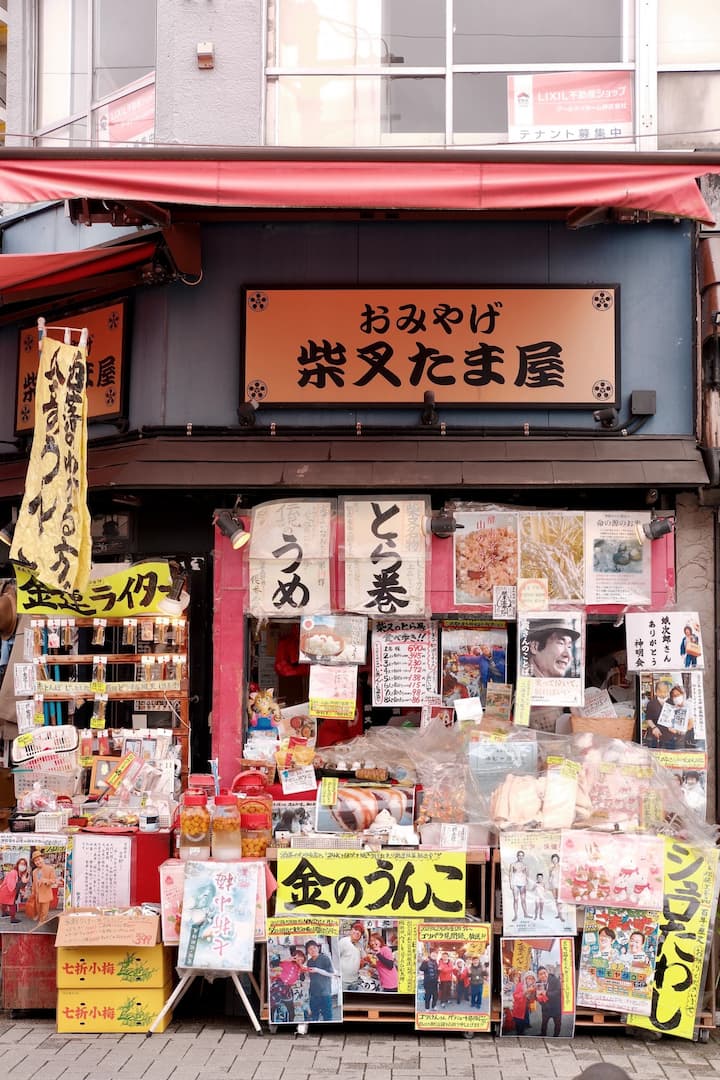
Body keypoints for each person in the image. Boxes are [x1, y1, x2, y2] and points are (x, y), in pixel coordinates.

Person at [304, 939, 336, 1022]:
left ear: (318, 948)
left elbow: (331, 974)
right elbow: (310, 978)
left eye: (314, 947)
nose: (313, 950)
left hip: (325, 993)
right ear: (308, 951)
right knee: (314, 1016)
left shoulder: (325, 958)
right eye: (310, 949)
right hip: (313, 993)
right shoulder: (309, 962)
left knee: (327, 1016)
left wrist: (317, 970)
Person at [30, 850, 58, 924]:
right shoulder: (34, 871)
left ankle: (42, 920)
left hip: (45, 893)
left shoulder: (50, 868)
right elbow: (34, 883)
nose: (38, 862)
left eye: (39, 859)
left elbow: (54, 880)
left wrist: (46, 881)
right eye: (35, 861)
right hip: (37, 894)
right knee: (38, 907)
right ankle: (39, 916)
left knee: (44, 909)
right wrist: (33, 892)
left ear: (42, 859)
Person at [537, 966, 562, 1037]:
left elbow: (558, 992)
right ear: (538, 975)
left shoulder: (555, 980)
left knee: (558, 1023)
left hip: (556, 1006)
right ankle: (543, 1034)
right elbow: (538, 996)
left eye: (544, 973)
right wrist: (540, 1000)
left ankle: (556, 1036)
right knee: (544, 1023)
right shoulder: (538, 983)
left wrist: (547, 993)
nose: (543, 975)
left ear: (547, 973)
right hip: (545, 1007)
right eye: (540, 974)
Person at [339, 922, 364, 989]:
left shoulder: (360, 945)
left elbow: (364, 958)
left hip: (355, 979)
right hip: (343, 980)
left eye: (360, 931)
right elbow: (336, 958)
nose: (357, 932)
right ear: (351, 930)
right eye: (355, 929)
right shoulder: (343, 941)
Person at [509, 850, 529, 920]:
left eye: (522, 855)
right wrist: (511, 884)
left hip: (523, 884)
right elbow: (510, 874)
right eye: (519, 855)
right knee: (516, 899)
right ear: (517, 856)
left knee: (523, 900)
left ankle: (526, 914)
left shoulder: (525, 865)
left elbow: (527, 875)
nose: (520, 857)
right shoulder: (513, 864)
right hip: (515, 884)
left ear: (523, 856)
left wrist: (527, 883)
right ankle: (515, 915)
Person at [549, 852, 563, 920]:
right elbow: (550, 877)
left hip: (559, 885)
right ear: (552, 860)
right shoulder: (551, 868)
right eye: (553, 859)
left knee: (560, 900)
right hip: (553, 885)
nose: (554, 860)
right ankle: (558, 914)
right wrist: (549, 885)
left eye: (556, 859)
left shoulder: (561, 867)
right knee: (556, 900)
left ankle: (561, 915)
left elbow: (563, 877)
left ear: (558, 859)